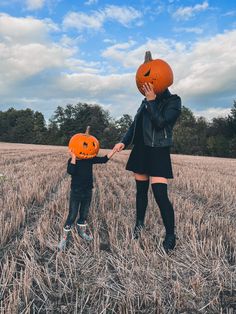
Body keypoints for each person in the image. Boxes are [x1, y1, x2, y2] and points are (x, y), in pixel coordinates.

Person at [114, 82, 181, 253]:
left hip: (158, 150)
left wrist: (151, 101)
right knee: (141, 192)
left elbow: (161, 123)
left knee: (160, 194)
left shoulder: (173, 101)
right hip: (141, 150)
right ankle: (139, 225)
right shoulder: (144, 102)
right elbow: (134, 126)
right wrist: (123, 141)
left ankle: (170, 235)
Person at [63, 147, 116, 241]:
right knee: (72, 215)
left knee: (84, 214)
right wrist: (74, 157)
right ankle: (64, 238)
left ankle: (81, 232)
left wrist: (114, 150)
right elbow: (71, 171)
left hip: (88, 191)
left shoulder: (89, 159)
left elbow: (104, 160)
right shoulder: (72, 160)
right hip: (76, 192)